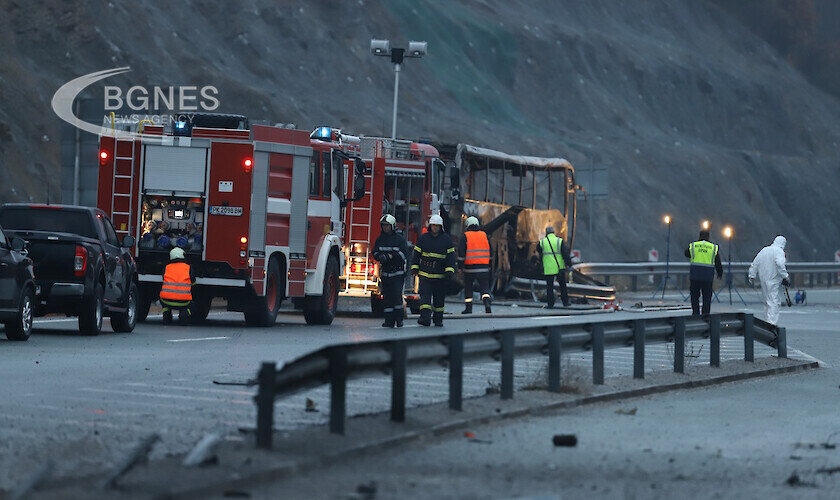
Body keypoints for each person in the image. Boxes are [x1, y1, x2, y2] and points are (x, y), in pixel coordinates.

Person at [411, 214, 456, 327]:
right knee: (425, 300)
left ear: (441, 227)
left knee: (439, 301)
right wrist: (414, 268)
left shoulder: (446, 240)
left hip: (440, 276)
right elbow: (416, 255)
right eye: (433, 225)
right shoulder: (423, 238)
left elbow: (451, 258)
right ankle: (425, 318)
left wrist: (450, 271)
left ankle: (438, 319)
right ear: (430, 226)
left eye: (437, 226)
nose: (435, 228)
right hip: (425, 275)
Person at [372, 214, 409, 328]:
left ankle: (399, 320)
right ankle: (388, 321)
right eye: (383, 226)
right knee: (387, 298)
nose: (385, 228)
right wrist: (380, 256)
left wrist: (390, 256)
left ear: (392, 226)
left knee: (396, 297)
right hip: (385, 273)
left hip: (397, 273)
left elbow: (404, 255)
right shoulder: (380, 239)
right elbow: (375, 252)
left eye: (387, 226)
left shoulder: (399, 239)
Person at [748, 235, 790, 326]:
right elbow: (780, 264)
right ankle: (771, 323)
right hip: (774, 280)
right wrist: (785, 276)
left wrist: (752, 275)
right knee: (774, 301)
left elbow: (755, 263)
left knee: (766, 301)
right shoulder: (779, 251)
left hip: (763, 279)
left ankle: (767, 320)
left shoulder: (764, 250)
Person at [684, 230, 724, 315]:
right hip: (707, 276)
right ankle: (705, 315)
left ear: (699, 236)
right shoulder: (713, 247)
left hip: (695, 275)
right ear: (708, 237)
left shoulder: (694, 245)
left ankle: (695, 314)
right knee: (707, 297)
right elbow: (717, 261)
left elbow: (686, 254)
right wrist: (719, 273)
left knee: (694, 296)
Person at [458, 216, 492, 314]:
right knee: (485, 288)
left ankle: (469, 308)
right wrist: (489, 265)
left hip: (470, 268)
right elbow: (491, 251)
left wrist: (460, 267)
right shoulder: (484, 235)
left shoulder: (466, 236)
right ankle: (487, 304)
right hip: (484, 268)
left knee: (468, 288)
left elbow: (461, 253)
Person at [537, 226, 572, 308]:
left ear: (546, 233)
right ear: (554, 232)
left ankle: (550, 304)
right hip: (559, 267)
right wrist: (569, 264)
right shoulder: (559, 241)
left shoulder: (542, 242)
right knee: (562, 285)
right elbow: (565, 254)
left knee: (549, 287)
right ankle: (565, 302)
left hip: (548, 268)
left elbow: (538, 249)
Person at [160, 246, 194, 325]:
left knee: (163, 302)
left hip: (166, 300)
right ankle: (184, 315)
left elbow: (164, 278)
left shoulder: (166, 267)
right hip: (184, 302)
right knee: (191, 305)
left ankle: (166, 316)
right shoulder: (188, 268)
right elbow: (193, 282)